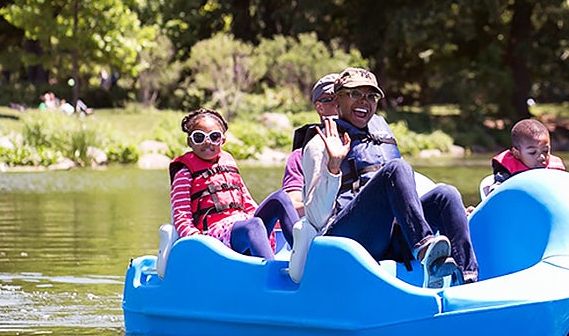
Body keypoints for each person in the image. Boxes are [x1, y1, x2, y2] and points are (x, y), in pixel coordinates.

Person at [290, 67, 478, 287]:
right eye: (355, 94)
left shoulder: (379, 135)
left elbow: (405, 188)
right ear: (337, 99)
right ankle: (427, 253)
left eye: (372, 96)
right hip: (346, 239)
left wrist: (456, 214)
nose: (364, 101)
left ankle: (467, 279)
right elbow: (316, 218)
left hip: (389, 236)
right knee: (395, 169)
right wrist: (333, 166)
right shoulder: (318, 145)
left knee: (447, 194)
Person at [169, 107, 299, 260]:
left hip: (243, 226)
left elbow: (247, 202)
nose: (207, 142)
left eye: (214, 137)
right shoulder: (184, 173)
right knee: (254, 225)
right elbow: (181, 216)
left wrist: (273, 222)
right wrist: (197, 242)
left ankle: (305, 258)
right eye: (199, 137)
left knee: (280, 198)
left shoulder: (228, 162)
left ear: (223, 140)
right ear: (189, 142)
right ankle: (269, 271)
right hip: (214, 238)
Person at [281, 73, 341, 216]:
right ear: (320, 108)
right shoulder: (300, 156)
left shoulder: (368, 147)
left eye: (347, 98)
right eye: (335, 100)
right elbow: (292, 205)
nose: (341, 105)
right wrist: (332, 209)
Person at [486, 118, 566, 193]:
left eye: (545, 151)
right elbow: (496, 193)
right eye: (532, 152)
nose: (541, 157)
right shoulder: (506, 174)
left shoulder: (555, 171)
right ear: (517, 153)